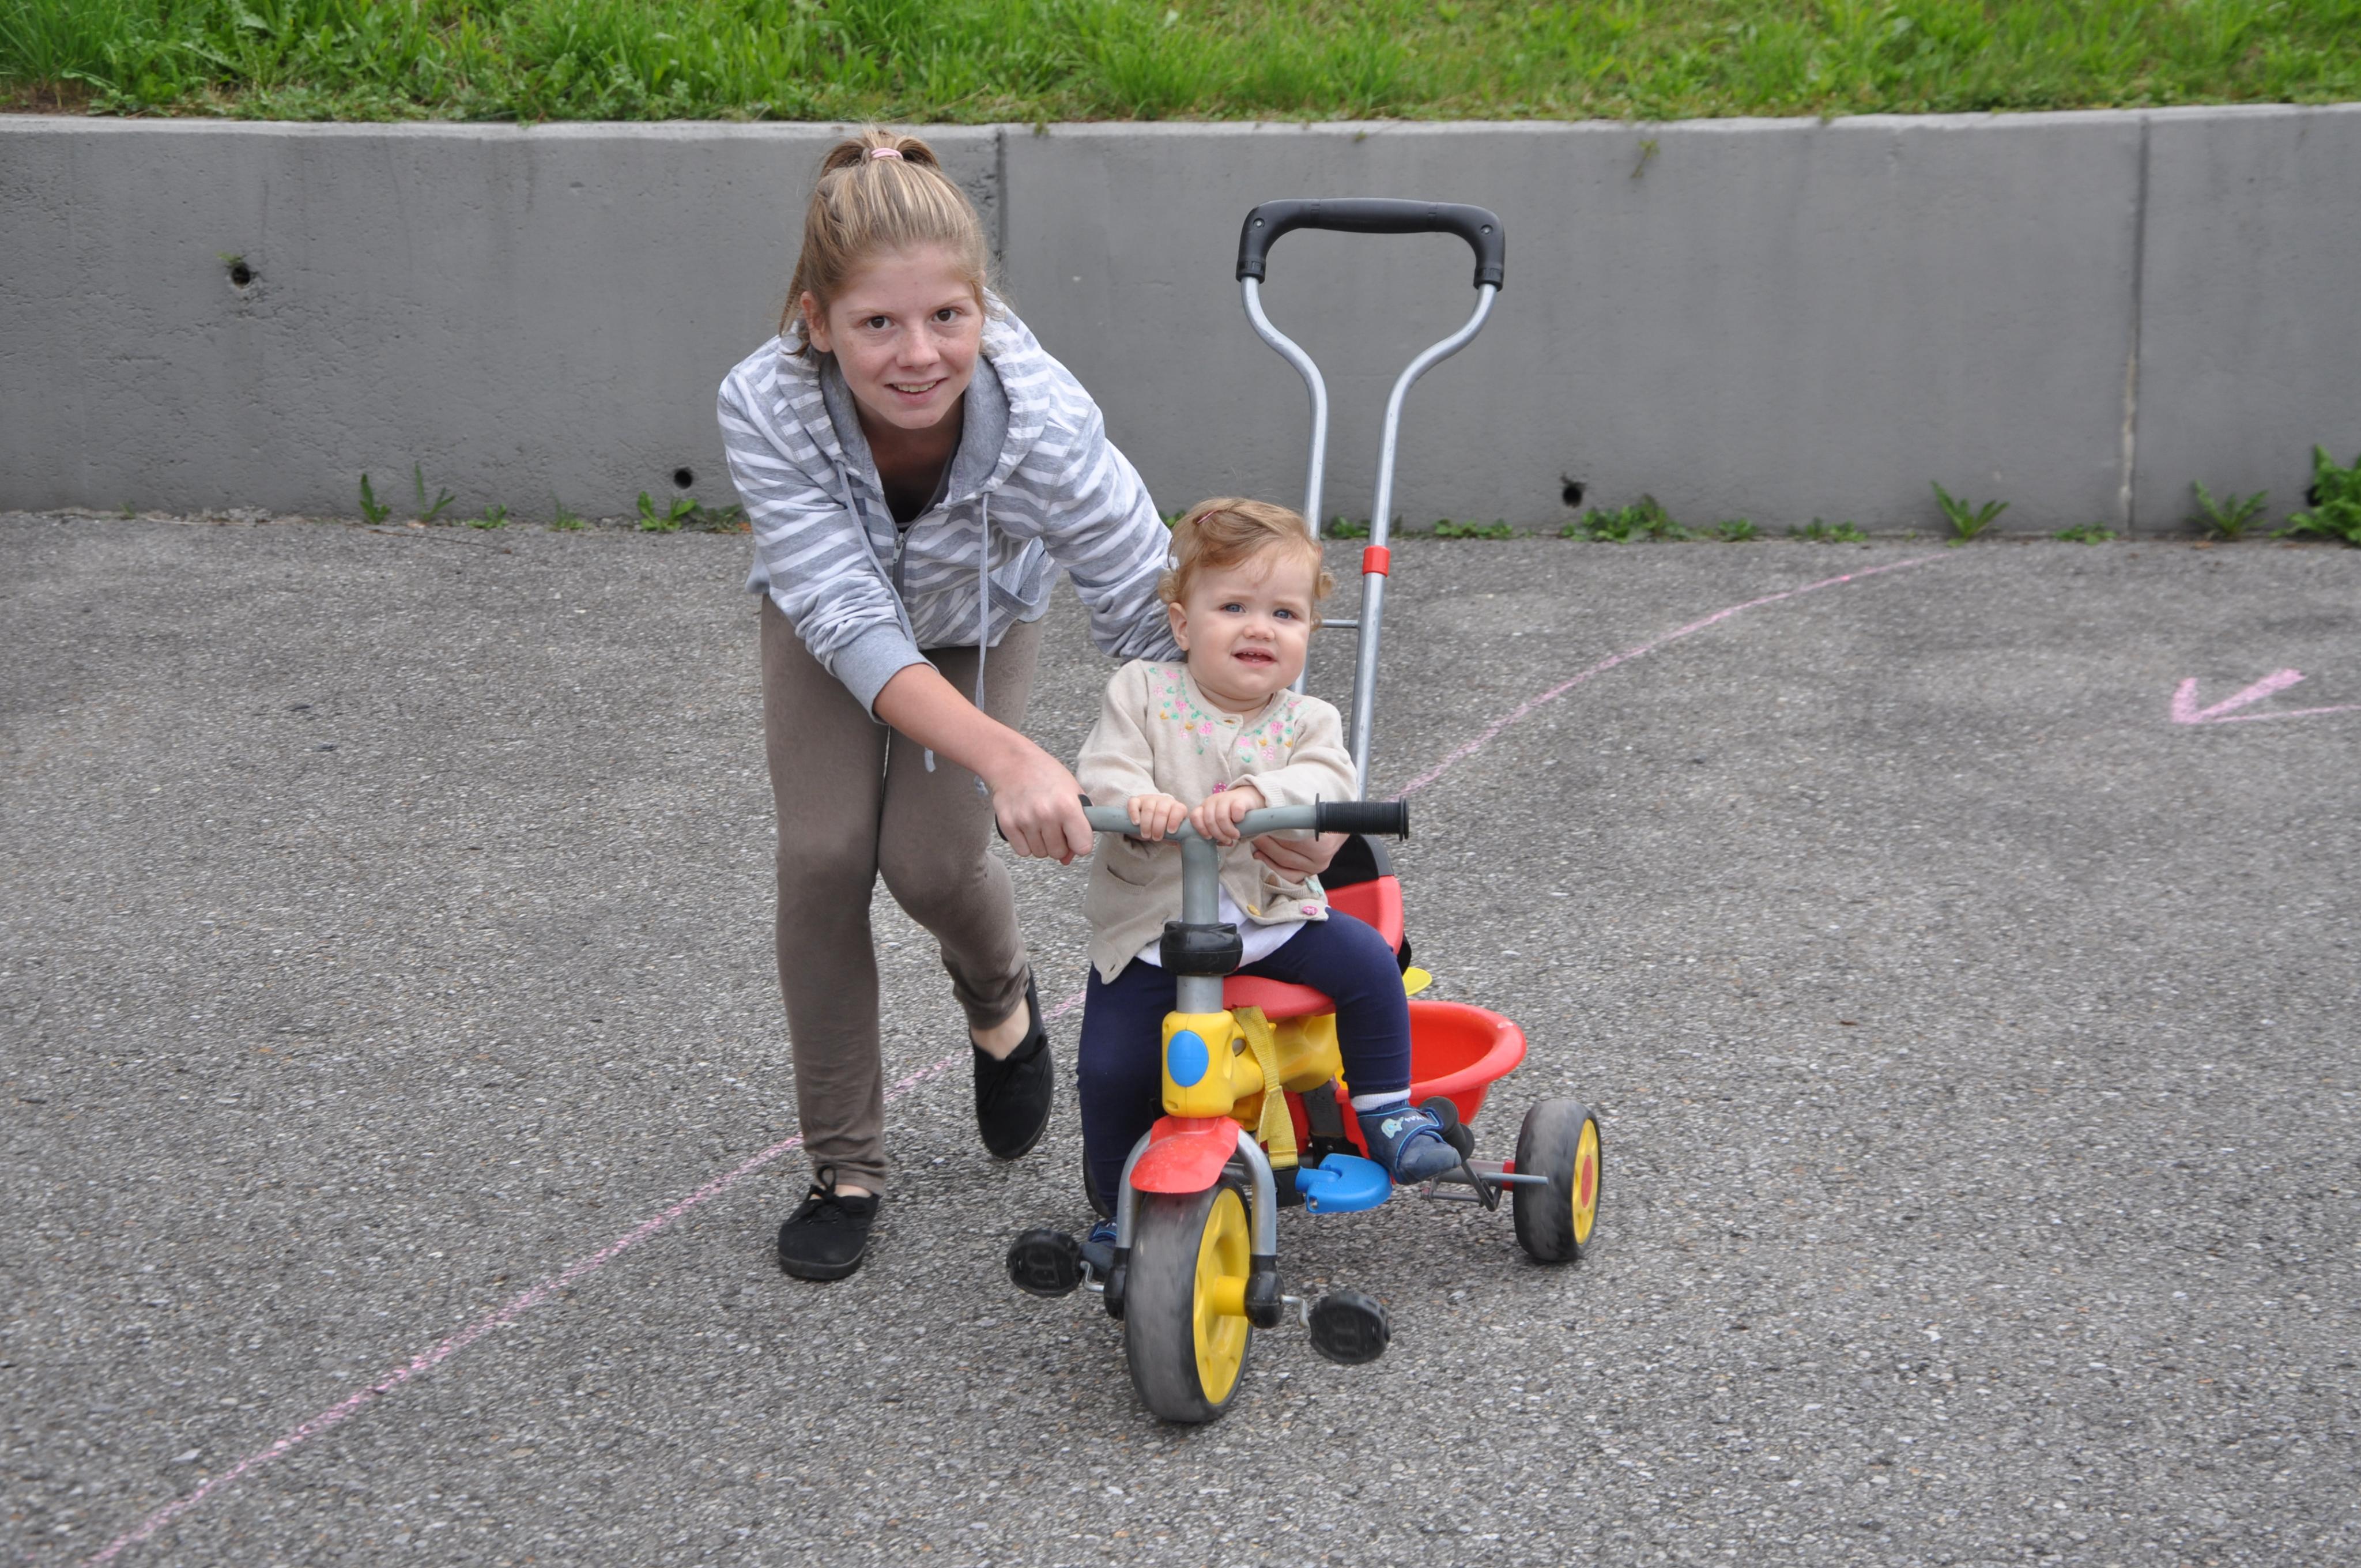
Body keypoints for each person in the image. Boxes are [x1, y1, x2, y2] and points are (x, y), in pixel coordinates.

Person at [718, 131, 1338, 1281]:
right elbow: (847, 620)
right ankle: (846, 1163)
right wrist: (1011, 757)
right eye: (876, 324)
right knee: (824, 853)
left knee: (932, 864)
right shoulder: (765, 402)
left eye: (947, 318)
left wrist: (1277, 779)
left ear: (984, 309)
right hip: (828, 629)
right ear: (817, 322)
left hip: (978, 616)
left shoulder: (1040, 413)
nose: (918, 355)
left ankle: (999, 1001)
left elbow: (1146, 597)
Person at [1061, 498, 1461, 1245]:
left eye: (1285, 614)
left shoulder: (1308, 719)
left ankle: (1386, 1111)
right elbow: (1106, 766)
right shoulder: (1142, 692)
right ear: (1183, 624)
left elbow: (1328, 781)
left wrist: (1259, 795)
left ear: (1308, 631)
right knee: (1110, 1068)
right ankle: (1118, 1208)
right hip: (1153, 930)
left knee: (1368, 961)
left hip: (1272, 915)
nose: (1260, 628)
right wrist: (1136, 800)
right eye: (1234, 607)